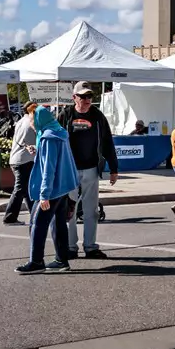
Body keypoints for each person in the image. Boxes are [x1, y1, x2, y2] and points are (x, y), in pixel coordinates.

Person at [57, 83, 117, 259]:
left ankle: (90, 246)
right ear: (74, 97)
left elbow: (107, 142)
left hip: (91, 168)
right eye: (83, 97)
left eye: (89, 96)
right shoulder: (65, 115)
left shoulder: (98, 116)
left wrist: (114, 168)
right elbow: (55, 141)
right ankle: (70, 247)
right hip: (69, 170)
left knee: (92, 210)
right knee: (70, 210)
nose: (87, 100)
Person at [17, 107, 79, 273]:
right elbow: (56, 160)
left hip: (51, 189)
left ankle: (36, 262)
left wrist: (44, 195)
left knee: (37, 223)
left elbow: (48, 169)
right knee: (58, 224)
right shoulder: (58, 133)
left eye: (31, 119)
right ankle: (61, 260)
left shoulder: (48, 138)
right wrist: (37, 152)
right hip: (62, 187)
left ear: (39, 120)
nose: (30, 122)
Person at [3, 102, 38, 225]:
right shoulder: (31, 124)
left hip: (16, 158)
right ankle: (10, 217)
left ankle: (34, 215)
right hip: (25, 160)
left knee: (27, 189)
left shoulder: (21, 121)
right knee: (20, 189)